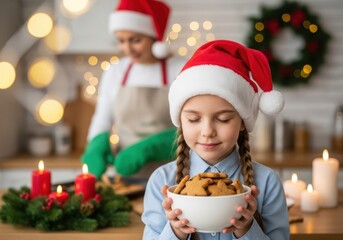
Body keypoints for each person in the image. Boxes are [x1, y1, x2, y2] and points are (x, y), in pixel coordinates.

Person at [142, 40, 290, 239]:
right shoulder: (161, 181)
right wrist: (175, 231)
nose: (208, 131)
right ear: (180, 122)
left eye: (223, 119)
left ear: (242, 122)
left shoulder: (267, 182)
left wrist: (246, 229)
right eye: (194, 119)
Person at [82, 0, 186, 179]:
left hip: (173, 175)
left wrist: (151, 148)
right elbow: (102, 117)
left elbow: (193, 126)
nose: (127, 49)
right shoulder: (115, 71)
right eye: (121, 41)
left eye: (135, 40)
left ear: (154, 37)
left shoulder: (179, 69)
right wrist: (96, 144)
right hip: (126, 173)